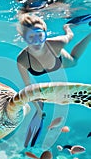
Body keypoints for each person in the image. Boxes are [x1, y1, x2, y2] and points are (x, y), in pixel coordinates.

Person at [17, 12, 91, 147]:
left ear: (45, 34)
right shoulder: (22, 60)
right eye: (31, 37)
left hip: (59, 61)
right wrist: (38, 111)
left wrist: (68, 28)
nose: (37, 41)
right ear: (24, 38)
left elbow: (70, 37)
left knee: (74, 61)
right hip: (46, 64)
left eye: (40, 35)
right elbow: (28, 87)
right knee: (74, 62)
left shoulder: (58, 43)